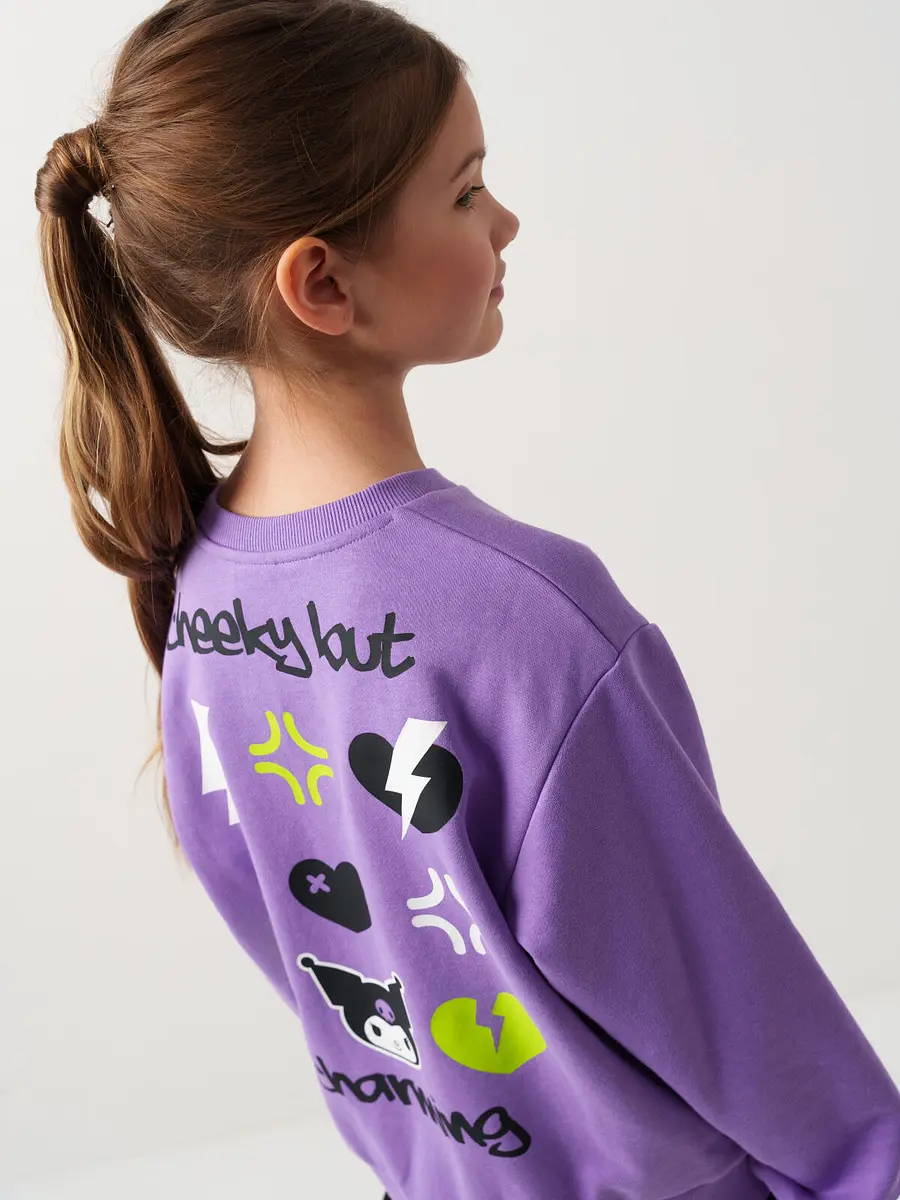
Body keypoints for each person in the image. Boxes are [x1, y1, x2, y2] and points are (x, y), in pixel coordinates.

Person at [33, 2, 900, 1198]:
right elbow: (747, 1032)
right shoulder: (525, 619)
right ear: (321, 281)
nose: (505, 221)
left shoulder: (206, 601)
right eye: (464, 191)